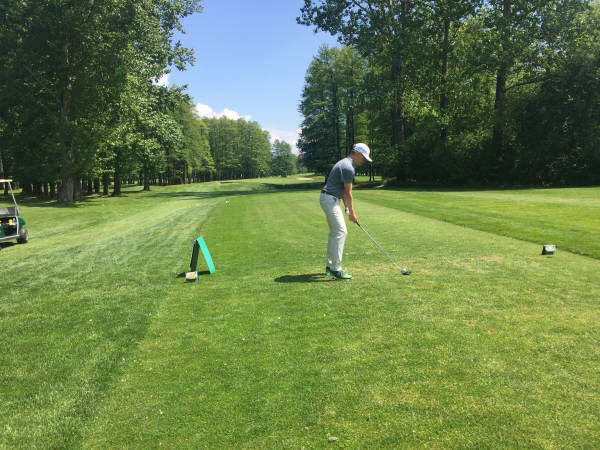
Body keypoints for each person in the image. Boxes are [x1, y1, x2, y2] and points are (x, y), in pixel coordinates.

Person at [320, 143, 372, 280]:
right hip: (329, 199)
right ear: (358, 154)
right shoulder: (348, 167)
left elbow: (343, 191)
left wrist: (347, 209)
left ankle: (330, 266)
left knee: (335, 233)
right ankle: (336, 269)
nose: (364, 161)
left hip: (329, 198)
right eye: (364, 158)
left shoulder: (346, 163)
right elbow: (348, 194)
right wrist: (353, 214)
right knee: (341, 232)